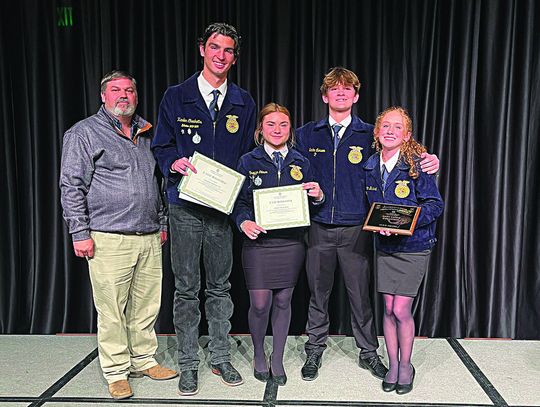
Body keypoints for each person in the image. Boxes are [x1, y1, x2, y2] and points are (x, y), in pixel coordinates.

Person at [295, 67, 440, 382]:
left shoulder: (369, 134)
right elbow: (293, 172)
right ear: (325, 95)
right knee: (318, 294)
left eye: (348, 89)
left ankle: (369, 353)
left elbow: (404, 153)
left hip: (358, 230)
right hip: (318, 226)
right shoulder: (307, 133)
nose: (342, 93)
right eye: (335, 89)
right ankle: (314, 349)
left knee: (360, 296)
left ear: (356, 96)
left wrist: (431, 159)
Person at [59, 70, 178, 400]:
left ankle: (143, 359)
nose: (123, 95)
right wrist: (79, 232)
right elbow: (71, 186)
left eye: (129, 90)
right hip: (107, 237)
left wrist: (163, 224)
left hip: (149, 236)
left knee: (146, 307)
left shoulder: (147, 133)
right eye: (115, 90)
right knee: (111, 309)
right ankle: (115, 371)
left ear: (137, 97)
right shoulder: (84, 133)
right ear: (103, 96)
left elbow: (158, 184)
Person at [151, 23, 256, 396]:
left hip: (221, 209)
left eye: (228, 50)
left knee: (220, 286)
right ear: (202, 49)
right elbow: (161, 146)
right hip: (184, 205)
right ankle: (188, 363)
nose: (221, 55)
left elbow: (247, 157)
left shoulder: (244, 102)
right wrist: (173, 164)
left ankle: (221, 355)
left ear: (234, 57)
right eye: (214, 47)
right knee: (185, 287)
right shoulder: (176, 96)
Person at [232, 103, 323, 386]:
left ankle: (277, 358)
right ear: (261, 129)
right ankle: (259, 352)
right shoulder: (248, 161)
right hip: (259, 243)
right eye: (271, 124)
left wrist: (318, 195)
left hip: (291, 242)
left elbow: (311, 203)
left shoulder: (301, 161)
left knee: (284, 300)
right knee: (260, 303)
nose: (277, 130)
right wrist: (243, 221)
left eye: (283, 125)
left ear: (290, 129)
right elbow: (239, 202)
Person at [364, 106, 444, 394]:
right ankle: (393, 364)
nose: (390, 131)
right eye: (385, 125)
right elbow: (372, 209)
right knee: (386, 307)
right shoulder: (370, 165)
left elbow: (435, 205)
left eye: (397, 127)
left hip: (413, 246)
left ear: (407, 135)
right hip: (384, 246)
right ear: (376, 132)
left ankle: (406, 364)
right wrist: (379, 225)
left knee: (400, 308)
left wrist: (405, 222)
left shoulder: (417, 164)